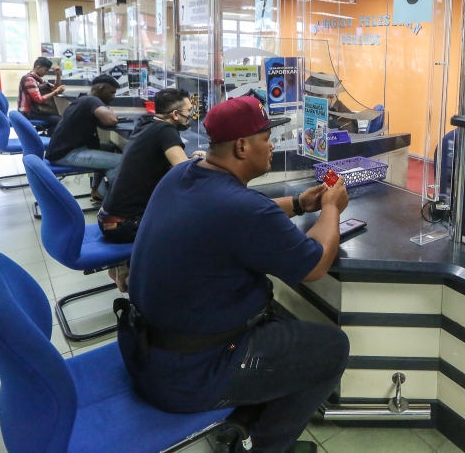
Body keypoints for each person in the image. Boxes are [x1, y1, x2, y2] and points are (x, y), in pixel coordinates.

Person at [117, 96, 349, 453]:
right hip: (191, 376)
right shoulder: (243, 209)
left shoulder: (182, 175)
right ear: (242, 146)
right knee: (332, 348)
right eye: (266, 138)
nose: (272, 145)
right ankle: (267, 447)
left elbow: (242, 214)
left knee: (277, 326)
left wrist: (300, 204)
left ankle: (248, 419)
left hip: (146, 352)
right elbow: (314, 265)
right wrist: (332, 208)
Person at [97, 87, 204, 291]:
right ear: (175, 114)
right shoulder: (166, 131)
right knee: (191, 230)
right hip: (124, 225)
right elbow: (184, 172)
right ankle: (151, 285)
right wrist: (199, 161)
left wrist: (190, 160)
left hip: (109, 217)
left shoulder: (147, 123)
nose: (191, 114)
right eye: (189, 110)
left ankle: (124, 268)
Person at [45, 74, 122, 201]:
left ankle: (98, 191)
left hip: (61, 151)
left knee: (110, 149)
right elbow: (110, 120)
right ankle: (115, 202)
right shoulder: (91, 100)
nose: (113, 97)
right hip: (66, 154)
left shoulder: (83, 99)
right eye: (112, 92)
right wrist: (112, 113)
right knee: (120, 161)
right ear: (101, 89)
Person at [18, 57, 66, 131]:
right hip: (28, 113)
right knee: (61, 121)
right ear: (38, 67)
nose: (46, 72)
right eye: (45, 70)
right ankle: (50, 138)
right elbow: (39, 99)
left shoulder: (38, 79)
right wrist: (56, 92)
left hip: (36, 111)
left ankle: (48, 137)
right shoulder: (29, 79)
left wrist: (58, 75)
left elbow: (55, 87)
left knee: (57, 120)